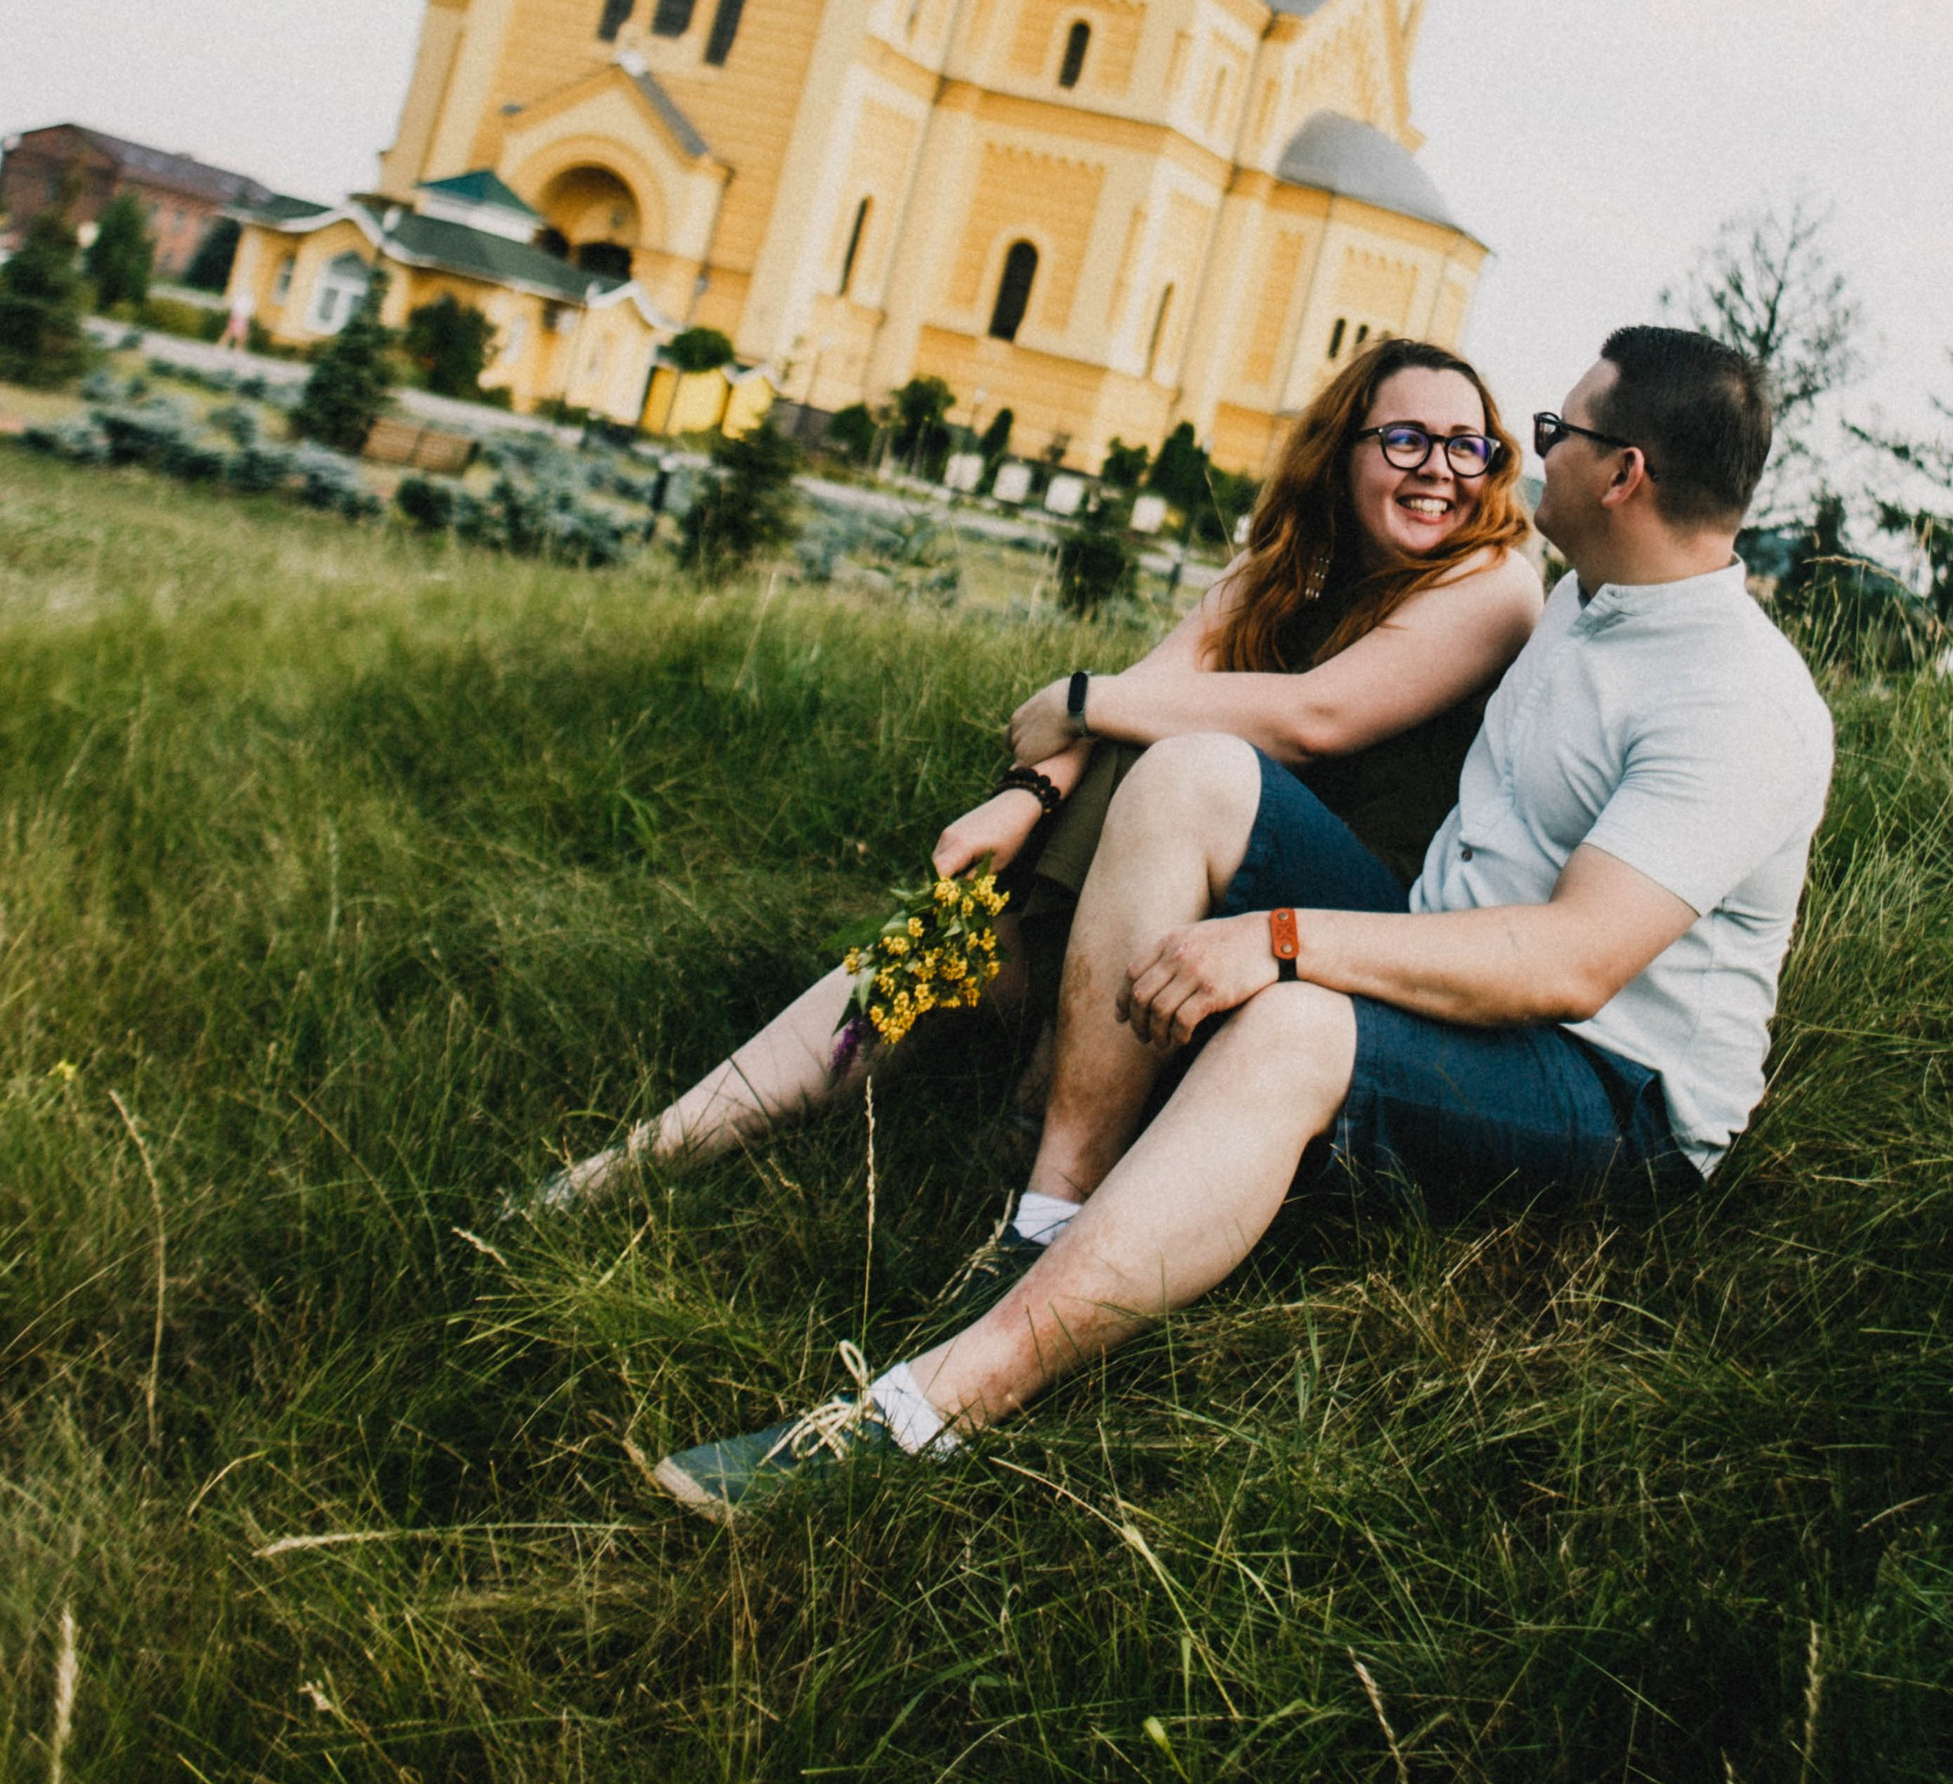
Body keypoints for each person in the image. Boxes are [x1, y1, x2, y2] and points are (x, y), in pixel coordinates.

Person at [651, 324, 1836, 1514]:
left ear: (1621, 472)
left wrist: (1276, 942)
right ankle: (1049, 1218)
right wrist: (1037, 788)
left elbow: (1570, 965)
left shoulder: (1734, 703)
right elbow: (1184, 699)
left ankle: (924, 1412)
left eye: (1550, 436)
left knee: (1295, 1025)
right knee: (1192, 773)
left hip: (1609, 1091)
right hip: (1443, 951)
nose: (1517, 466)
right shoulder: (1590, 600)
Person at [529, 342, 1543, 1211]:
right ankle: (643, 1159)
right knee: (937, 948)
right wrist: (1034, 790)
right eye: (1407, 440)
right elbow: (1156, 687)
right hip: (1187, 904)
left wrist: (1077, 698)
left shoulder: (1493, 579)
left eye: (1470, 446)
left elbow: (1315, 721)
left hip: (1351, 922)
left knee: (1180, 758)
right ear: (1342, 455)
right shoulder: (1284, 570)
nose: (1443, 471)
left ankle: (1038, 1131)